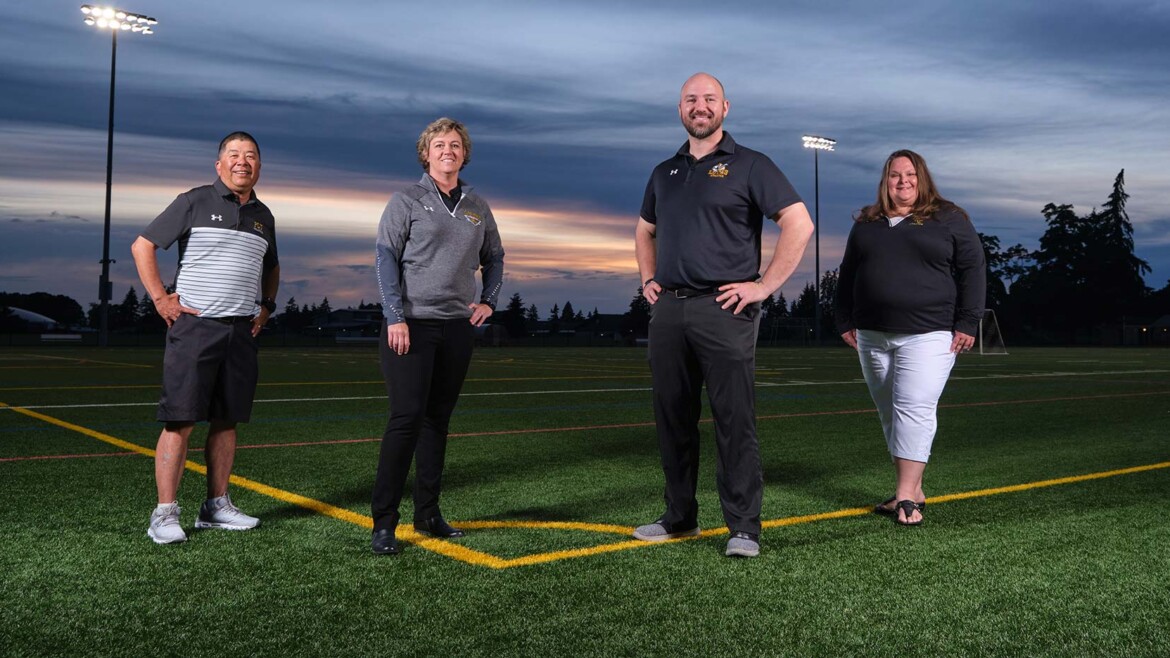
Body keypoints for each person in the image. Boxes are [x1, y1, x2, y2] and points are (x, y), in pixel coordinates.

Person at [633, 73, 814, 558]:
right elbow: (644, 230)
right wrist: (647, 278)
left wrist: (764, 286)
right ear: (680, 109)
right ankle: (679, 517)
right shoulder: (663, 172)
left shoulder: (751, 164)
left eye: (709, 99)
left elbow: (799, 221)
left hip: (724, 308)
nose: (700, 106)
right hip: (669, 308)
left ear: (725, 108)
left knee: (734, 419)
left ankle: (744, 528)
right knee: (672, 417)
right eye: (691, 99)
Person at [130, 131, 279, 545]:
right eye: (234, 155)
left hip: (241, 330)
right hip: (196, 328)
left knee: (226, 420)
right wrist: (161, 299)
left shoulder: (264, 215)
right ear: (219, 164)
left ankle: (216, 506)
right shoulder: (193, 201)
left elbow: (272, 265)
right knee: (180, 421)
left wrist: (266, 306)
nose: (242, 162)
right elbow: (142, 246)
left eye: (250, 156)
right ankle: (164, 513)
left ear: (259, 167)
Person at [370, 117, 505, 556]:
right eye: (438, 144)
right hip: (410, 323)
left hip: (457, 327)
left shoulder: (476, 206)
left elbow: (496, 258)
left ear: (464, 154)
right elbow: (386, 258)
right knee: (406, 419)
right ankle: (384, 522)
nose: (447, 150)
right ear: (425, 154)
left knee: (437, 421)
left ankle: (428, 514)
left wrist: (489, 302)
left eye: (455, 145)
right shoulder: (406, 199)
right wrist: (395, 317)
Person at [834, 149, 986, 526]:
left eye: (910, 175)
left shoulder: (948, 217)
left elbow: (973, 267)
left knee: (913, 407)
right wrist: (842, 318)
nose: (903, 181)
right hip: (871, 333)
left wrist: (968, 321)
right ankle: (914, 488)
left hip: (929, 333)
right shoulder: (868, 223)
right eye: (895, 175)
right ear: (885, 181)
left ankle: (905, 497)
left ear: (922, 178)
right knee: (890, 412)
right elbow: (848, 271)